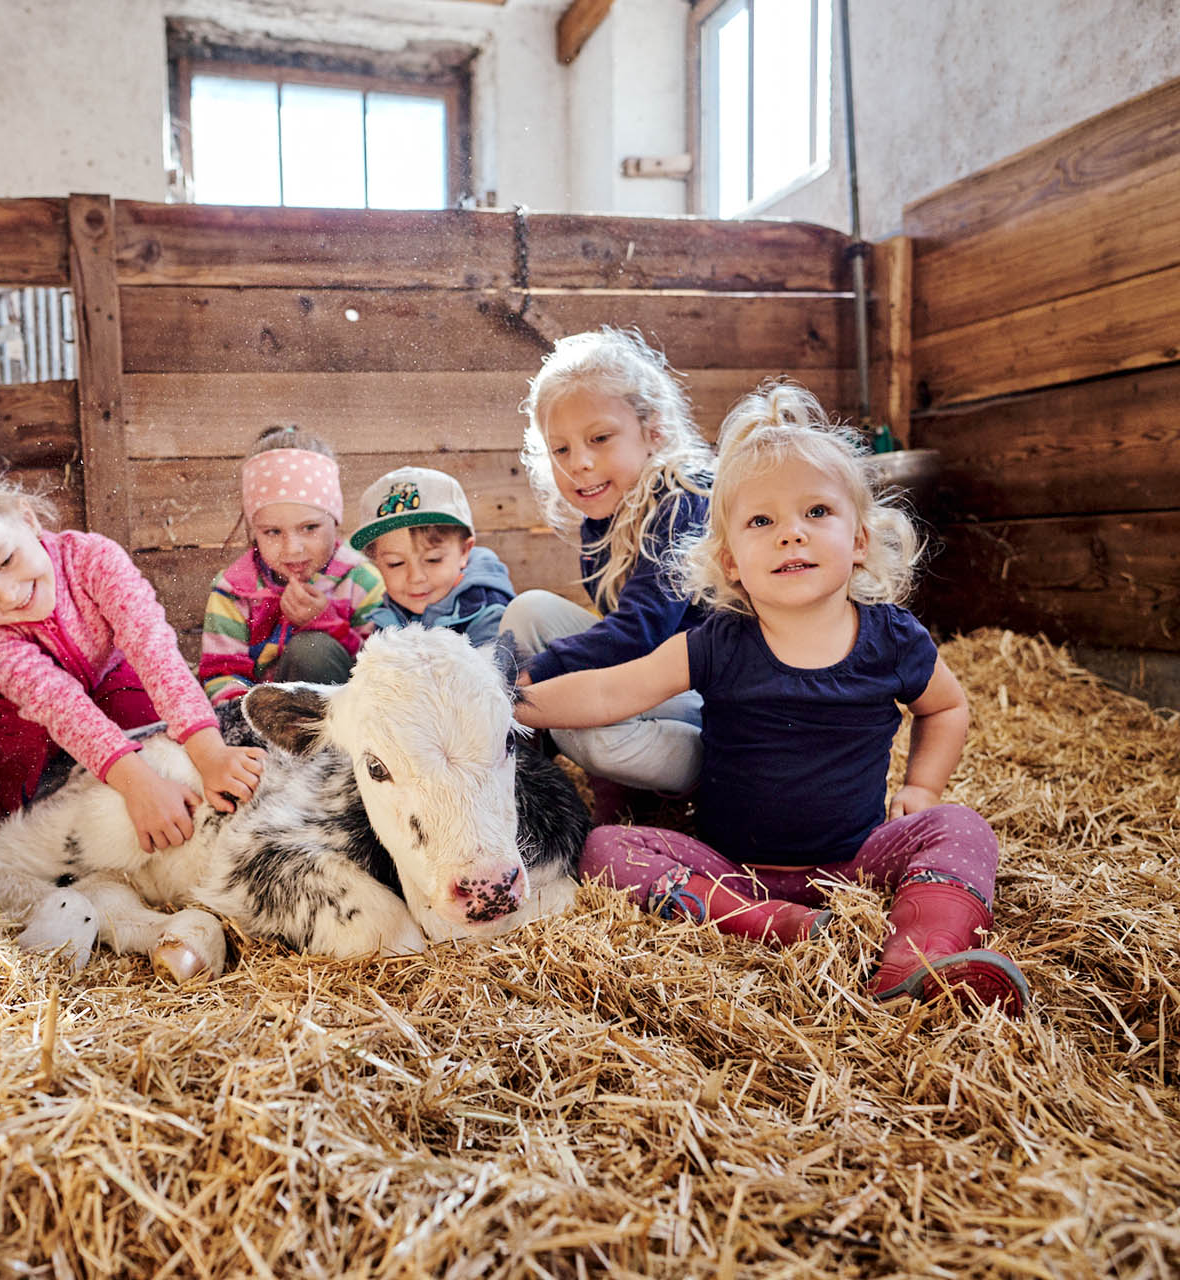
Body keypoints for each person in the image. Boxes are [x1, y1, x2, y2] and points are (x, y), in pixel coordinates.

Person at [515, 381, 1029, 1013]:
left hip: (857, 860)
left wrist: (922, 787)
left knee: (961, 826)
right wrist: (509, 704)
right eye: (763, 521)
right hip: (731, 866)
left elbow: (946, 706)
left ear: (860, 539)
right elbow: (610, 691)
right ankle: (780, 924)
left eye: (817, 513)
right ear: (731, 561)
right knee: (606, 850)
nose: (792, 534)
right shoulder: (718, 641)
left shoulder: (893, 639)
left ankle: (921, 956)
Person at [0, 463, 264, 846]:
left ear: (26, 518)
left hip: (110, 674)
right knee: (29, 765)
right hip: (21, 709)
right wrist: (139, 786)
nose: (9, 595)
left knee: (155, 731)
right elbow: (60, 706)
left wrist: (210, 752)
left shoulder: (93, 559)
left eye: (5, 561)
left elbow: (154, 650)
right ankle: (26, 808)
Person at [501, 327, 714, 803]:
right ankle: (519, 786)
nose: (579, 462)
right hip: (657, 690)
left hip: (715, 710)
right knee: (530, 610)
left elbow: (642, 630)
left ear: (653, 430)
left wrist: (536, 677)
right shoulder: (605, 514)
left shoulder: (683, 499)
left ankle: (684, 790)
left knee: (590, 730)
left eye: (599, 438)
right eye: (561, 449)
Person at [199, 426, 387, 704]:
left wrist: (327, 624)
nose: (292, 549)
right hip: (265, 727)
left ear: (334, 521)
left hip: (347, 721)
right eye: (272, 532)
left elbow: (382, 670)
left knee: (311, 650)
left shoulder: (361, 582)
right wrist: (251, 718)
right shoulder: (235, 590)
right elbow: (221, 674)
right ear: (255, 530)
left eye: (309, 527)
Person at [348, 465, 515, 646]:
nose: (416, 577)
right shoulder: (387, 616)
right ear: (377, 562)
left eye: (433, 559)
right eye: (395, 563)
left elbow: (490, 671)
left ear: (464, 551)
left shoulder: (489, 610)